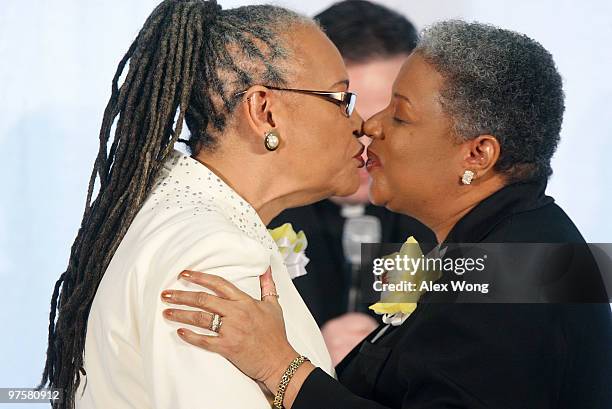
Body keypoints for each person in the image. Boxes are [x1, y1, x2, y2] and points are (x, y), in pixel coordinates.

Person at [160, 20, 612, 408]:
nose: (370, 125)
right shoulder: (527, 244)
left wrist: (280, 366)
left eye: (400, 116)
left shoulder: (523, 269)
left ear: (477, 154)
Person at [37, 1, 365, 408]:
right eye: (341, 98)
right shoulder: (213, 256)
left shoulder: (177, 216)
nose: (359, 123)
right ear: (264, 111)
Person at [268, 0, 435, 365]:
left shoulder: (455, 218)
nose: (366, 137)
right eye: (345, 109)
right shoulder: (253, 215)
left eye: (396, 116)